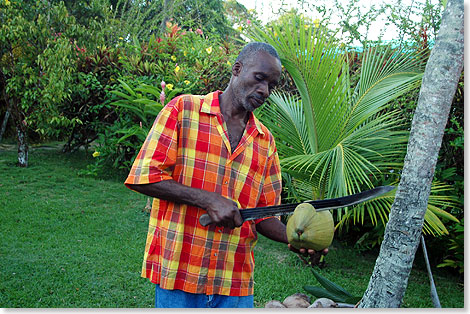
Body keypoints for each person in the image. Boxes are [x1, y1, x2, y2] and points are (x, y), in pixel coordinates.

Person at [124, 42, 326, 308]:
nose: (264, 90)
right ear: (237, 69)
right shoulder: (183, 110)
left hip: (234, 282)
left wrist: (298, 237)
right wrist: (208, 200)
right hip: (179, 273)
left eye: (271, 85)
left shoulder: (265, 141)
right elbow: (144, 175)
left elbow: (264, 214)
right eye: (259, 78)